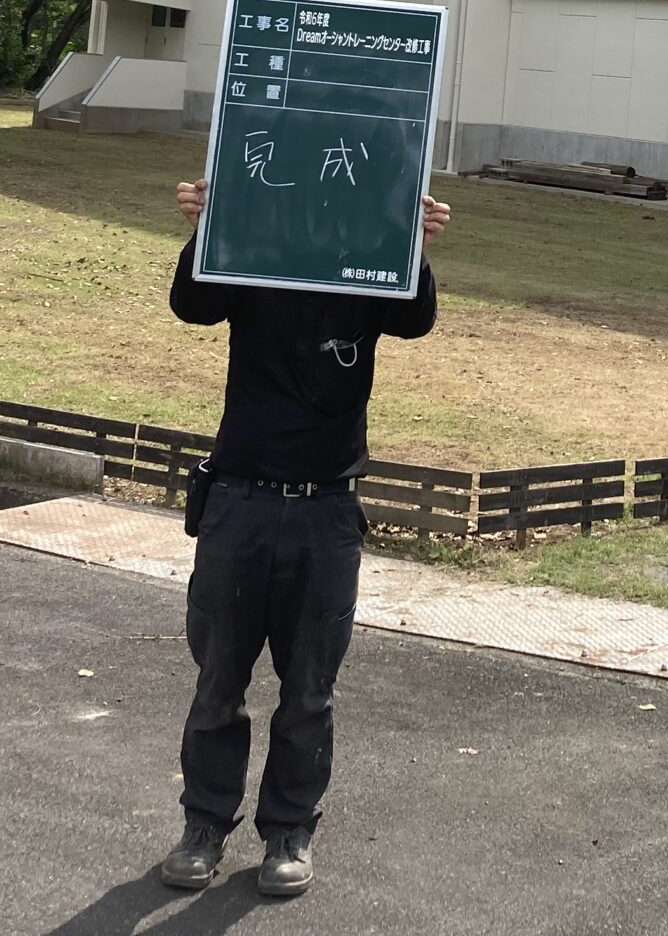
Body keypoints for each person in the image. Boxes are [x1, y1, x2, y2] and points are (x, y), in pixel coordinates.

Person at [156, 176, 450, 898]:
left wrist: (410, 244)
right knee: (219, 678)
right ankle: (204, 826)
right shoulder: (256, 246)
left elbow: (414, 320)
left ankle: (289, 831)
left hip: (327, 508)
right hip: (240, 500)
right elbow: (193, 305)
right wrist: (206, 229)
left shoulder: (364, 258)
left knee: (310, 689)